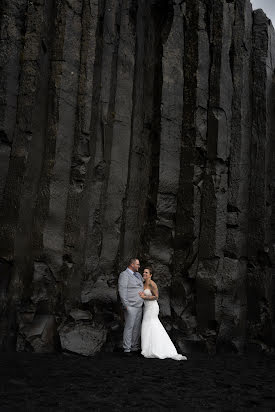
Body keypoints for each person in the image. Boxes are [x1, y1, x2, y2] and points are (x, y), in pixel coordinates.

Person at [139, 267, 187, 360]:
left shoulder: (152, 284)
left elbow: (156, 297)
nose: (144, 274)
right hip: (146, 307)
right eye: (144, 272)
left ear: (150, 275)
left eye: (146, 272)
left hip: (152, 308)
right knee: (147, 326)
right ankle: (148, 348)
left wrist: (144, 297)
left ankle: (157, 349)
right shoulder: (144, 284)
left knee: (151, 325)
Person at [118, 258, 144, 355]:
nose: (139, 266)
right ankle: (127, 348)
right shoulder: (124, 275)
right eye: (137, 264)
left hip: (139, 305)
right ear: (132, 264)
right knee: (129, 327)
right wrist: (126, 305)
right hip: (131, 305)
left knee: (137, 327)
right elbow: (122, 290)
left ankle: (134, 347)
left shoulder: (138, 275)